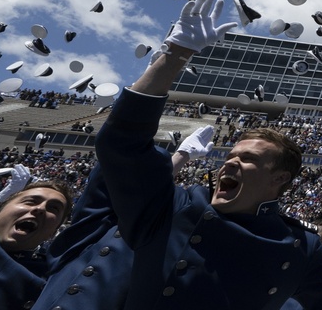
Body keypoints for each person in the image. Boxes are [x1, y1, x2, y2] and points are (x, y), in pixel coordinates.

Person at [90, 0, 322, 310]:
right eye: (230, 157)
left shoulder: (299, 247)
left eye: (247, 159)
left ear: (279, 177)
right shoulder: (174, 207)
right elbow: (121, 144)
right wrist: (174, 56)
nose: (229, 164)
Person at [34, 126, 216, 310]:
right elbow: (122, 183)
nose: (39, 209)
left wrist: (181, 156)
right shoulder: (92, 226)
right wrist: (180, 156)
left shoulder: (169, 221)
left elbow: (148, 197)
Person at [0, 171, 71, 309]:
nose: (40, 209)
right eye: (30, 201)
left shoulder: (54, 284)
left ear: (52, 234)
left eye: (54, 208)